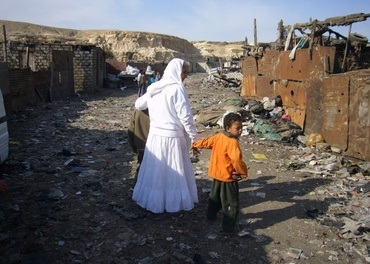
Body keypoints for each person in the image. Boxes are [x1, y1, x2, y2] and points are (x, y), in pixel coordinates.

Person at [132, 58, 199, 213]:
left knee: (157, 171)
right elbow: (186, 117)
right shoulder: (176, 89)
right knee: (173, 172)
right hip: (172, 139)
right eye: (184, 73)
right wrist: (195, 139)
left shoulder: (155, 87)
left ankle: (156, 202)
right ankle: (172, 204)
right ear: (177, 71)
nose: (186, 76)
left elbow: (139, 104)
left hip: (155, 137)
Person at [192, 112, 248, 235]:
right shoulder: (232, 142)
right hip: (228, 177)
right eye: (237, 128)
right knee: (230, 203)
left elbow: (207, 142)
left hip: (217, 174)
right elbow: (236, 160)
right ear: (228, 128)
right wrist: (243, 173)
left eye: (241, 128)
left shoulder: (219, 136)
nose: (240, 131)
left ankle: (210, 217)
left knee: (214, 198)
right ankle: (228, 229)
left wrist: (195, 144)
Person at [127, 108, 150, 184]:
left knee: (142, 167)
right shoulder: (159, 108)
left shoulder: (138, 110)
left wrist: (133, 146)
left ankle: (138, 188)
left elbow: (131, 129)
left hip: (141, 145)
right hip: (156, 145)